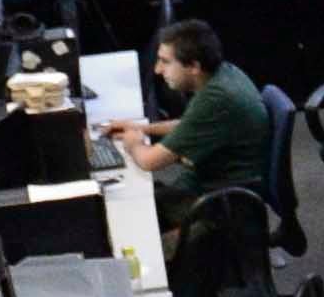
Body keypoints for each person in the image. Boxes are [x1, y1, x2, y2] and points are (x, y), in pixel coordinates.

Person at [106, 14, 272, 222]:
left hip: (222, 203)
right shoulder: (224, 73)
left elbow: (149, 161)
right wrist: (142, 128)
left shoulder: (216, 99)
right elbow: (189, 124)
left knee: (123, 212)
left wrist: (133, 142)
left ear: (193, 66)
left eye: (165, 62)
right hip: (211, 182)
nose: (157, 70)